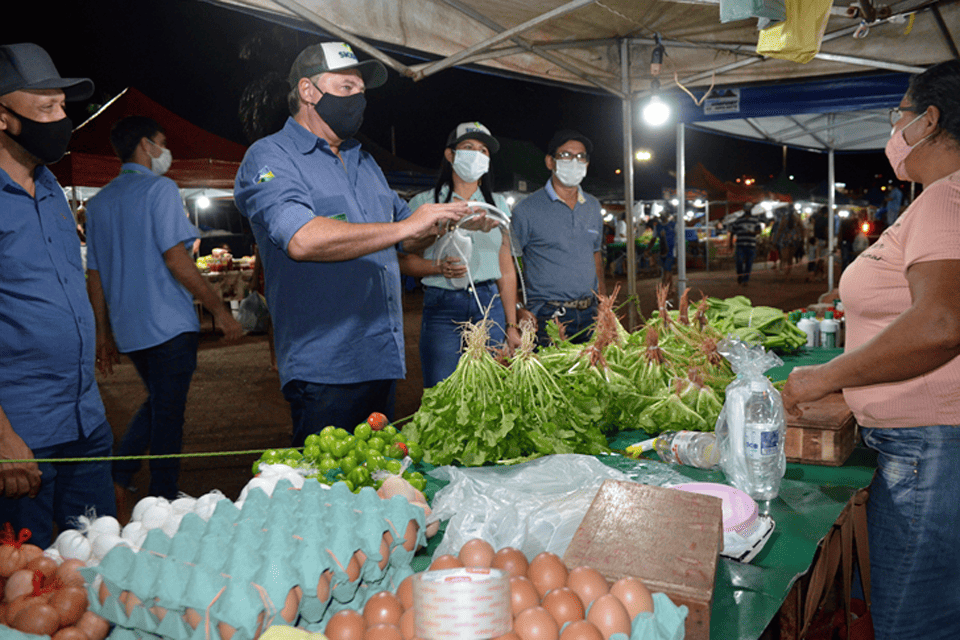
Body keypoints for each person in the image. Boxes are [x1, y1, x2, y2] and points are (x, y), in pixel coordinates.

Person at [781, 59, 960, 640]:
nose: (894, 130)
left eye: (899, 117)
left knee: (916, 624)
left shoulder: (944, 199)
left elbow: (940, 325)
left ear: (928, 122)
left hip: (929, 456)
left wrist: (825, 376)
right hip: (932, 449)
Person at [233, 42, 469, 446]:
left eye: (361, 91)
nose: (358, 100)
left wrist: (443, 222)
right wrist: (406, 227)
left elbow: (408, 235)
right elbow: (302, 238)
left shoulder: (363, 160)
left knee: (374, 488)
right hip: (325, 368)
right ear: (308, 92)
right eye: (346, 88)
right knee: (327, 496)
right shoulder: (270, 157)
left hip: (380, 358)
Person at [85, 116, 242, 502]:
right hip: (170, 324)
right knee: (168, 411)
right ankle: (158, 494)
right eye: (161, 142)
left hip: (130, 329)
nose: (164, 150)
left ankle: (128, 481)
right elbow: (177, 259)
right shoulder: (160, 190)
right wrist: (219, 311)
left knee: (161, 403)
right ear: (146, 145)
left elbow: (96, 277)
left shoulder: (100, 203)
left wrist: (102, 334)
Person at [0, 43, 116, 547]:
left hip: (85, 424)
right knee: (26, 593)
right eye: (45, 108)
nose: (61, 119)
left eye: (63, 106)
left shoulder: (50, 188)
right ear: (3, 117)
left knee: (99, 565)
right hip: (21, 438)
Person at [398, 122, 521, 387]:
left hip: (489, 304)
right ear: (450, 155)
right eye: (468, 147)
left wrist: (512, 325)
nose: (477, 155)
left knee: (491, 387)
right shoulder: (425, 203)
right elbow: (405, 259)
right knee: (442, 388)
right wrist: (438, 267)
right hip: (443, 306)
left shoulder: (497, 206)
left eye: (483, 151)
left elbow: (507, 269)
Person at [511, 129, 606, 346]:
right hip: (548, 316)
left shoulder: (592, 206)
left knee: (593, 377)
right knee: (554, 378)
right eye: (566, 155)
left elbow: (595, 255)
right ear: (550, 162)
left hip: (590, 313)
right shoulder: (526, 210)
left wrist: (603, 303)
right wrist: (518, 308)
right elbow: (509, 263)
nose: (574, 161)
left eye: (581, 156)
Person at [727, 204, 762, 285]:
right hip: (740, 244)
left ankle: (745, 280)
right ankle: (740, 275)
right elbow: (732, 232)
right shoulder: (738, 220)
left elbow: (759, 231)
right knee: (739, 261)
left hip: (751, 245)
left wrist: (752, 232)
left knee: (749, 263)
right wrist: (730, 243)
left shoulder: (755, 220)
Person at [648, 213, 676, 293]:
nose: (663, 216)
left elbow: (679, 237)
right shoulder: (658, 226)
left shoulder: (673, 225)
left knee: (667, 269)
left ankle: (664, 287)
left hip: (672, 251)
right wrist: (648, 249)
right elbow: (653, 239)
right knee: (667, 270)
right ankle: (672, 287)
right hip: (663, 251)